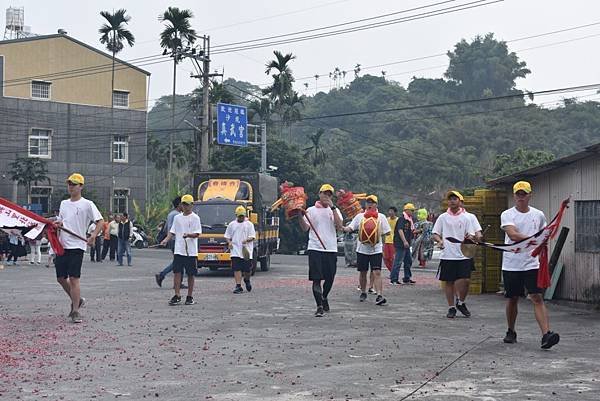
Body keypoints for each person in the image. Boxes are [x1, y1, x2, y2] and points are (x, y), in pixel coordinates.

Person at [501, 181, 559, 349]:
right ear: (514, 196)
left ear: (529, 195)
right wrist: (533, 239)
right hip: (512, 263)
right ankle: (511, 331)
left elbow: (544, 233)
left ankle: (546, 335)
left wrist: (541, 243)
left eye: (524, 194)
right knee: (513, 298)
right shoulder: (507, 214)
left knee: (537, 297)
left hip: (531, 263)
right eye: (518, 194)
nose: (521, 197)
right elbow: (512, 234)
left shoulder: (538, 214)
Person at [53, 173, 103, 323]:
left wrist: (93, 235)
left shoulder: (88, 204)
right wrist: (58, 225)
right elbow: (61, 221)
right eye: (69, 184)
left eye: (74, 184)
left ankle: (75, 311)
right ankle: (78, 299)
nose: (71, 187)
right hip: (62, 245)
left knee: (74, 278)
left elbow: (100, 222)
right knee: (61, 278)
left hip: (77, 245)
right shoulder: (64, 203)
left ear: (81, 186)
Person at [432, 191, 479, 318]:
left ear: (460, 201)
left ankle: (461, 301)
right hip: (448, 254)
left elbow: (473, 234)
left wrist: (472, 237)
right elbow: (435, 233)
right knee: (449, 282)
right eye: (450, 199)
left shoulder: (467, 217)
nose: (452, 201)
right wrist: (440, 241)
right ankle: (451, 307)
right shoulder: (442, 217)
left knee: (466, 280)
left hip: (464, 253)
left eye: (455, 199)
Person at [298, 184, 343, 317]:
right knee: (316, 278)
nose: (326, 196)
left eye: (329, 194)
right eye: (324, 193)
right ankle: (319, 306)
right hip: (315, 248)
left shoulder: (334, 210)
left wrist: (333, 207)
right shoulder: (311, 210)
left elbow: (339, 226)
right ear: (319, 194)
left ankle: (324, 297)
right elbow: (305, 228)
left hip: (330, 248)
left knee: (330, 278)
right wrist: (300, 216)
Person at [343, 195, 391, 306]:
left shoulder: (381, 217)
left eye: (372, 202)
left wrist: (375, 232)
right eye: (368, 202)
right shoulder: (360, 217)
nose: (369, 204)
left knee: (377, 272)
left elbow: (387, 232)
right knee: (363, 272)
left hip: (376, 249)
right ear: (365, 204)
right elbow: (351, 227)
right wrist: (344, 228)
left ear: (376, 205)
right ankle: (364, 292)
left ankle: (379, 295)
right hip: (362, 249)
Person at [160, 194, 202, 306]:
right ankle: (177, 295)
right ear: (181, 205)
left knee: (191, 274)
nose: (185, 206)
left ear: (192, 205)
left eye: (188, 204)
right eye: (183, 204)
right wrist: (166, 239)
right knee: (177, 272)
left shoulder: (195, 218)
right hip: (179, 250)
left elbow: (197, 233)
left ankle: (189, 296)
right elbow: (172, 231)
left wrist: (189, 235)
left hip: (191, 251)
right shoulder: (177, 218)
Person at [225, 206, 257, 294]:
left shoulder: (249, 224)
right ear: (236, 215)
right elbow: (227, 236)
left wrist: (247, 240)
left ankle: (247, 280)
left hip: (246, 250)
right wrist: (229, 242)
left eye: (242, 216)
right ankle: (238, 286)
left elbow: (253, 236)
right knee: (236, 268)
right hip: (235, 250)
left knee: (247, 269)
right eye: (239, 216)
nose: (241, 218)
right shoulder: (232, 225)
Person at [155, 197, 183, 288]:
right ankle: (162, 275)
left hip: (172, 239)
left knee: (179, 261)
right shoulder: (177, 215)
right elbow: (175, 229)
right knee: (178, 262)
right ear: (179, 204)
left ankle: (178, 282)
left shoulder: (171, 214)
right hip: (176, 240)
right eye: (183, 204)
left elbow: (167, 227)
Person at [391, 203, 416, 285]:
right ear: (407, 210)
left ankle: (407, 277)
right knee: (398, 261)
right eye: (411, 210)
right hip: (401, 243)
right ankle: (394, 279)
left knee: (408, 260)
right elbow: (400, 230)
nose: (412, 212)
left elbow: (410, 231)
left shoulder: (409, 220)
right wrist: (404, 241)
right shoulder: (402, 219)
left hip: (407, 244)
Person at [383, 207, 398, 272]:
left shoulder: (398, 220)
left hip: (394, 241)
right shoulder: (386, 219)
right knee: (385, 258)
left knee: (392, 258)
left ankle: (393, 272)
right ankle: (391, 271)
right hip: (386, 240)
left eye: (391, 211)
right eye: (389, 211)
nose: (390, 212)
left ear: (395, 212)